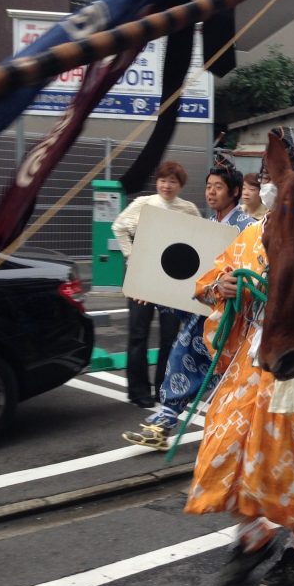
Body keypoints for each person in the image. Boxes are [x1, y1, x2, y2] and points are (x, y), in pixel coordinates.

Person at [185, 211, 294, 586]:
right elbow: (208, 281)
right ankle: (252, 534)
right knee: (227, 449)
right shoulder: (250, 234)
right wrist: (221, 287)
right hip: (249, 358)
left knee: (290, 457)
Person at [123, 164, 255, 448]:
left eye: (218, 187)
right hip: (205, 312)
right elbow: (189, 273)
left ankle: (236, 433)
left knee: (226, 376)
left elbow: (255, 272)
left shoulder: (249, 228)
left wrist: (232, 287)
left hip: (234, 317)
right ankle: (164, 423)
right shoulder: (210, 223)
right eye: (208, 186)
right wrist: (154, 290)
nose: (211, 192)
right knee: (184, 359)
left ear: (234, 191)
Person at [112, 160, 201, 407]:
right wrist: (132, 256)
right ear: (157, 182)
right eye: (163, 180)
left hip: (171, 281)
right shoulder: (143, 204)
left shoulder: (189, 209)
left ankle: (163, 387)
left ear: (180, 185)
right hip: (140, 275)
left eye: (173, 181)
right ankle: (138, 391)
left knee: (169, 337)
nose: (167, 185)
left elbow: (198, 242)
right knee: (138, 334)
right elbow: (118, 227)